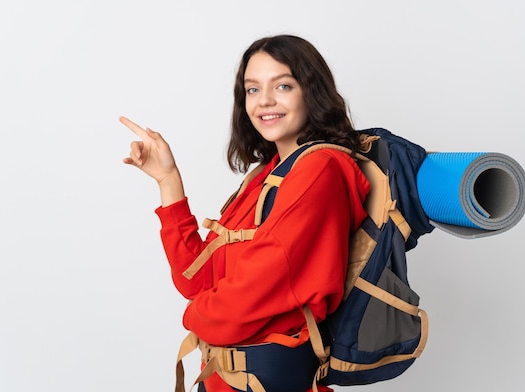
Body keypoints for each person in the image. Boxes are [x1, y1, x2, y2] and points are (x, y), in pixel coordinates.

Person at [121, 35, 370, 392]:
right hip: (225, 381)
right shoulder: (267, 176)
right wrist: (168, 179)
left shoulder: (320, 170)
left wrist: (195, 316)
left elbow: (258, 285)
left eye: (283, 85)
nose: (265, 101)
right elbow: (197, 278)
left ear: (311, 91)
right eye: (252, 90)